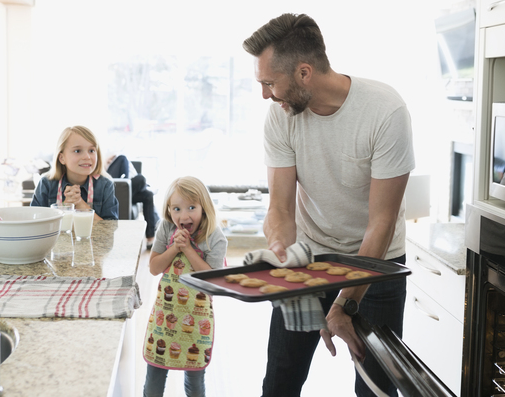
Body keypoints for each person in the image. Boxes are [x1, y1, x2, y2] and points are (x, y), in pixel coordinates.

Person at [243, 13, 415, 397]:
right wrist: (282, 256)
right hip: (312, 258)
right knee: (280, 381)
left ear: (304, 73)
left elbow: (381, 223)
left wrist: (345, 303)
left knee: (375, 387)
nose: (266, 94)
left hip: (377, 261)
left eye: (270, 83)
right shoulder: (280, 116)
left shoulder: (384, 112)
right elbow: (282, 210)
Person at [142, 176, 228, 397]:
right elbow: (154, 268)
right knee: (154, 378)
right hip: (165, 315)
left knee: (195, 381)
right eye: (177, 209)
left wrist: (189, 249)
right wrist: (174, 248)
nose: (184, 215)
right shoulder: (166, 228)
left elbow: (213, 279)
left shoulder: (215, 237)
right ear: (169, 210)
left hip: (197, 320)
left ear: (204, 208)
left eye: (192, 207)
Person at [30, 125, 119, 220]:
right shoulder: (46, 184)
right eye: (77, 151)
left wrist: (80, 203)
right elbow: (34, 221)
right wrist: (65, 206)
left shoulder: (105, 185)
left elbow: (110, 228)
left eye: (91, 150)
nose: (87, 157)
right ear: (62, 158)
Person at [106, 154, 160, 247]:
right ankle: (146, 186)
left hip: (129, 193)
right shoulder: (119, 159)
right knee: (141, 178)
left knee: (148, 195)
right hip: (120, 191)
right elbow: (124, 177)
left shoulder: (124, 163)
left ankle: (150, 238)